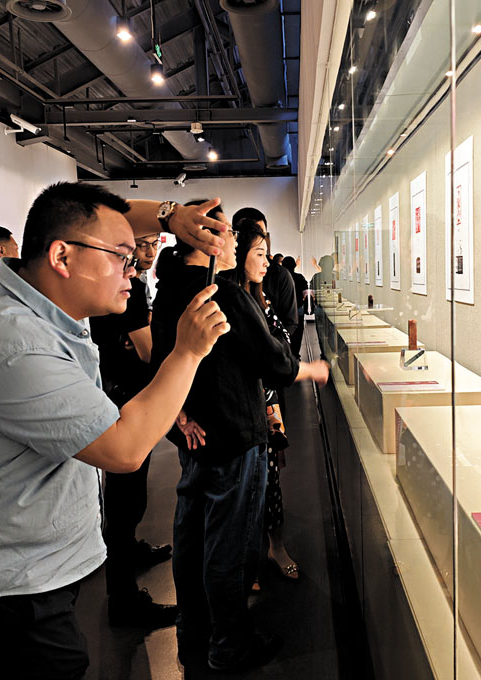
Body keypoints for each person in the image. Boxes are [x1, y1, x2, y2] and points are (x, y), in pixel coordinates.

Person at [0, 182, 230, 680]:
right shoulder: (17, 343)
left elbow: (91, 217)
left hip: (14, 579)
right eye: (122, 256)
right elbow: (124, 448)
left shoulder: (18, 292)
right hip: (2, 599)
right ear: (61, 256)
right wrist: (188, 351)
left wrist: (170, 217)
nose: (134, 269)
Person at [151, 202, 329, 673]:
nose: (233, 240)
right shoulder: (224, 293)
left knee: (192, 540)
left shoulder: (171, 288)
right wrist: (310, 370)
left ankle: (193, 631)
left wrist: (180, 417)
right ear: (208, 239)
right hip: (234, 432)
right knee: (228, 547)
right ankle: (229, 644)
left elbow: (161, 361)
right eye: (229, 233)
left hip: (195, 437)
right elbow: (273, 360)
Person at [90, 230, 175, 628]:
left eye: (153, 243)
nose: (148, 251)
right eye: (140, 244)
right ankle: (122, 599)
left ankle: (129, 557)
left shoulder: (131, 288)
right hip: (124, 397)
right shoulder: (132, 289)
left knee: (129, 494)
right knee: (126, 493)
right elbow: (147, 350)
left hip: (117, 392)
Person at [229, 223, 300, 584]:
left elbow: (283, 341)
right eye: (259, 253)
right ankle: (251, 556)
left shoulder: (261, 299)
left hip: (266, 403)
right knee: (244, 490)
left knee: (270, 481)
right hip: (240, 407)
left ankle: (276, 547)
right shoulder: (230, 299)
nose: (267, 262)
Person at [231, 207, 297, 345]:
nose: (266, 263)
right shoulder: (230, 295)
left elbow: (289, 324)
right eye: (260, 254)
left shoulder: (267, 284)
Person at [281, 256, 308, 359]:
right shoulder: (299, 277)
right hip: (298, 308)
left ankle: (287, 353)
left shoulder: (281, 278)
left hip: (284, 310)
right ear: (294, 266)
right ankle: (295, 354)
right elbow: (305, 292)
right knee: (298, 332)